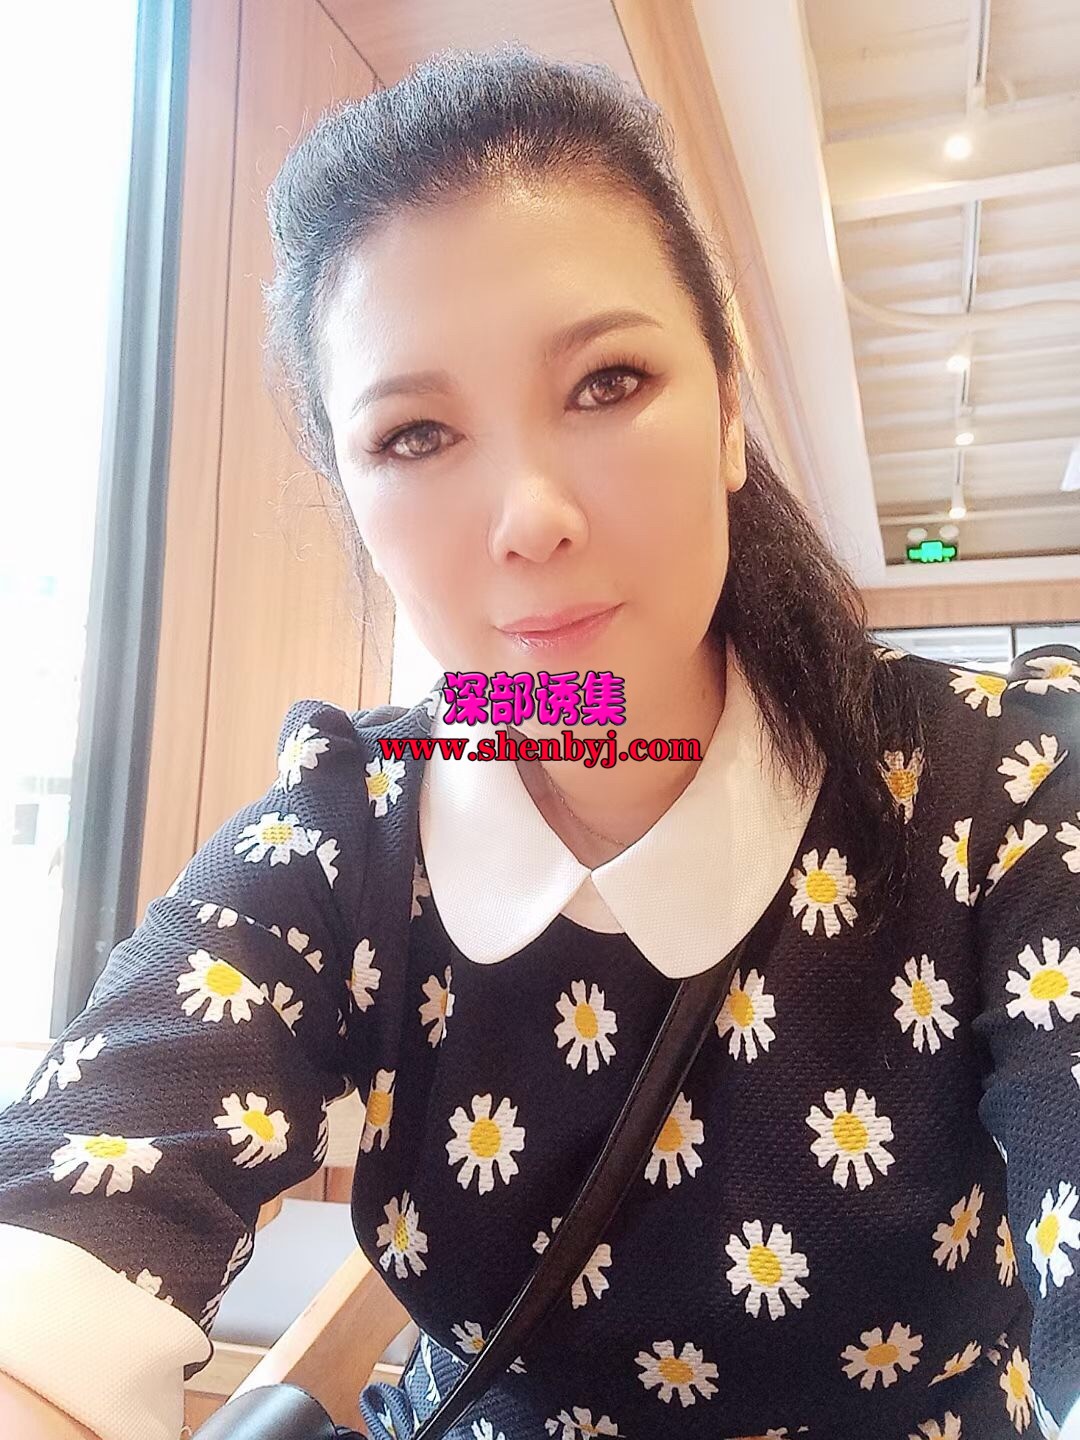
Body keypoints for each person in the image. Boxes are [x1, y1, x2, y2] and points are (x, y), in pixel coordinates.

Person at [2, 42, 1079, 1440]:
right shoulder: (351, 830)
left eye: (607, 382)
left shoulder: (999, 791)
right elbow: (73, 1225)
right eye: (415, 435)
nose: (530, 519)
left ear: (730, 407)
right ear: (353, 497)